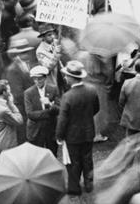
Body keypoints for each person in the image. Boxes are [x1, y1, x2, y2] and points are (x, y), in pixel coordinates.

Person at [56, 60, 100, 196]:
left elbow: (62, 120)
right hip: (88, 132)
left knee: (73, 162)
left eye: (66, 76)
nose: (65, 78)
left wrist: (59, 136)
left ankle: (74, 188)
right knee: (87, 159)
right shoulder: (92, 90)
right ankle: (88, 184)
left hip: (72, 136)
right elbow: (96, 108)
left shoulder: (67, 97)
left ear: (71, 77)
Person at [24, 65, 59, 155]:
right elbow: (30, 114)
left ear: (45, 78)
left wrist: (50, 104)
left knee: (52, 155)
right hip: (36, 131)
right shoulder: (28, 93)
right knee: (37, 157)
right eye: (35, 79)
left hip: (51, 130)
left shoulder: (53, 89)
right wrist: (49, 112)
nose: (37, 81)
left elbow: (59, 109)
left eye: (39, 79)